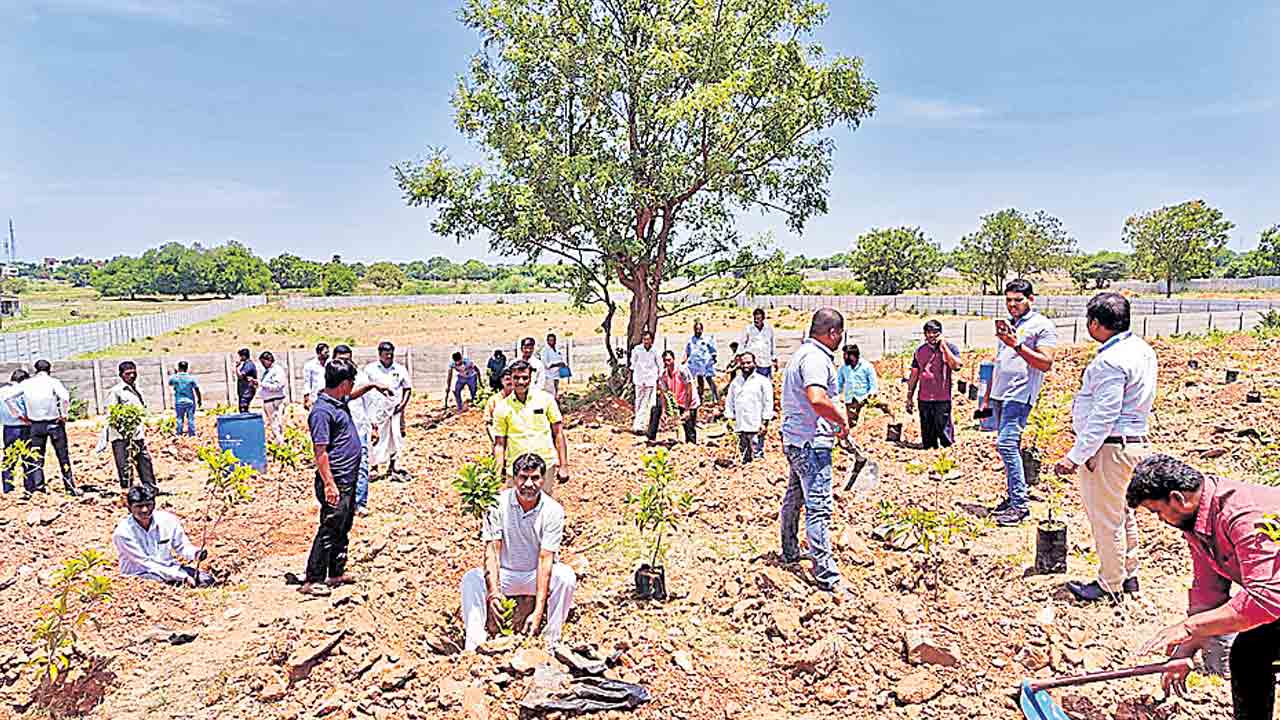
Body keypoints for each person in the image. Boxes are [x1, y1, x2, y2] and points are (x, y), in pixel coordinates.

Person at [1128, 455, 1280, 720]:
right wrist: (1184, 649)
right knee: (1249, 653)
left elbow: (1265, 600)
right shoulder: (1199, 523)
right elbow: (1209, 595)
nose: (1161, 520)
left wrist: (1188, 628)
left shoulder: (1243, 516)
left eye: (1157, 511)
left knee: (1253, 649)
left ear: (1178, 498)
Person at [1051, 293, 1156, 602]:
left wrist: (1076, 456)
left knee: (1106, 518)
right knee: (1122, 513)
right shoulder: (1141, 350)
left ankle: (1110, 584)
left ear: (1096, 324)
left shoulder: (1110, 361)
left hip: (1109, 448)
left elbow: (1104, 415)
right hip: (1133, 442)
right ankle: (1129, 574)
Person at [460, 452, 576, 651]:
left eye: (535, 478)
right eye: (523, 477)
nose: (529, 484)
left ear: (543, 479)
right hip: (506, 574)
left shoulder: (553, 510)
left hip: (534, 575)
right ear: (514, 478)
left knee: (565, 577)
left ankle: (551, 640)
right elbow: (492, 551)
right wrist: (494, 592)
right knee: (471, 579)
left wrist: (538, 611)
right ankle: (474, 644)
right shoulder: (497, 504)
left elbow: (545, 560)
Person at [780, 308, 850, 594]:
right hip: (811, 444)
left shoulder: (801, 354)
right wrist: (841, 419)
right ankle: (826, 575)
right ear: (832, 333)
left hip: (797, 440)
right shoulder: (816, 359)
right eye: (840, 334)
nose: (841, 340)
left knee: (794, 497)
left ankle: (789, 550)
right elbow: (817, 398)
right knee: (818, 508)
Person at [988, 279, 1058, 526]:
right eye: (1008, 300)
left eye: (1018, 300)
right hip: (1001, 393)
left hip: (1020, 394)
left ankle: (1020, 505)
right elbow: (1001, 360)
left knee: (1006, 445)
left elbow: (1045, 363)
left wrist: (1016, 344)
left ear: (1031, 299)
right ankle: (1013, 497)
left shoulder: (1042, 326)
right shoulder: (1010, 325)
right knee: (1010, 447)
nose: (1012, 305)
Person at [302, 359, 362, 597]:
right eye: (352, 383)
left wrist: (375, 386)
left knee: (343, 526)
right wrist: (329, 484)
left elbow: (355, 394)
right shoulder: (322, 411)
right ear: (344, 383)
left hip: (348, 478)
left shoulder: (338, 401)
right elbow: (320, 452)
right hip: (335, 480)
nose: (352, 387)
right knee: (329, 527)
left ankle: (335, 572)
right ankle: (312, 578)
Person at [331, 346, 393, 517]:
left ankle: (359, 503)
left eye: (348, 358)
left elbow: (370, 403)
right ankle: (341, 504)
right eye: (341, 359)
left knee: (362, 466)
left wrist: (374, 426)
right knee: (340, 468)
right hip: (337, 433)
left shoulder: (361, 377)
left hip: (359, 429)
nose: (345, 362)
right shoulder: (329, 378)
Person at [492, 361, 569, 496]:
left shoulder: (546, 400)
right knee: (515, 509)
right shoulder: (502, 408)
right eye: (516, 378)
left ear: (531, 378)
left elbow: (558, 433)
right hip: (516, 469)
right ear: (510, 378)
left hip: (544, 466)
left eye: (524, 377)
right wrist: (496, 476)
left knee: (542, 507)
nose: (520, 382)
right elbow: (499, 444)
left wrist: (563, 466)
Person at [113, 485, 213, 586]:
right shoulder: (123, 533)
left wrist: (195, 554)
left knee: (206, 580)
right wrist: (182, 577)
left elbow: (182, 546)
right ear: (129, 508)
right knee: (158, 583)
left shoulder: (167, 520)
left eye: (148, 505)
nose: (144, 510)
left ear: (154, 504)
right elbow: (145, 563)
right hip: (140, 573)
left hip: (168, 567)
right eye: (139, 506)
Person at [18, 360, 77, 495]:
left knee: (37, 457)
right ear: (49, 369)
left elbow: (8, 398)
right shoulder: (53, 382)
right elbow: (65, 398)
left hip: (35, 425)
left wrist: (21, 415)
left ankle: (39, 488)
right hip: (54, 423)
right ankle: (70, 487)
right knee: (63, 457)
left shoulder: (27, 383)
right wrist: (64, 414)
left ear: (35, 370)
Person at [905, 320, 963, 450]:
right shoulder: (919, 351)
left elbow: (957, 366)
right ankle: (929, 454)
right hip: (924, 397)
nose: (931, 336)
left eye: (935, 333)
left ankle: (947, 455)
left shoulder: (950, 348)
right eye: (928, 333)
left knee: (944, 431)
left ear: (940, 333)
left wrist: (944, 347)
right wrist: (909, 396)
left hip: (942, 397)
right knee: (927, 433)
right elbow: (914, 375)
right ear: (924, 334)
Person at [363, 341, 413, 480]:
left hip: (395, 411)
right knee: (376, 438)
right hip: (377, 411)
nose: (389, 357)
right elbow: (364, 388)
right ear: (379, 354)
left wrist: (402, 405)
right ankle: (374, 467)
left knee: (395, 438)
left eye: (391, 354)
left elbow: (407, 388)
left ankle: (392, 466)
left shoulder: (400, 369)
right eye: (386, 355)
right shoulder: (370, 369)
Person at [107, 360, 157, 490]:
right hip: (121, 437)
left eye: (134, 373)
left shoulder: (137, 390)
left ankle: (150, 488)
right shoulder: (116, 391)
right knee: (124, 465)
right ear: (121, 375)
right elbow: (112, 414)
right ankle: (128, 491)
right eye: (128, 374)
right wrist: (124, 429)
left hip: (137, 434)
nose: (132, 376)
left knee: (144, 461)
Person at [725, 353, 773, 463]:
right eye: (743, 363)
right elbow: (730, 401)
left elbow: (768, 403)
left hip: (756, 426)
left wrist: (765, 423)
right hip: (740, 426)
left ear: (754, 363)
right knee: (743, 457)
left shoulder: (762, 381)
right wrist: (729, 419)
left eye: (748, 362)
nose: (746, 365)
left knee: (757, 457)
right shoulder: (736, 382)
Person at [838, 344, 890, 425]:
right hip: (850, 400)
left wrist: (871, 394)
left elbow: (873, 383)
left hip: (865, 398)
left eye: (846, 355)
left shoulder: (867, 366)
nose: (844, 357)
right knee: (852, 424)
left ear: (853, 355)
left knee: (867, 423)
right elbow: (839, 384)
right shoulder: (843, 368)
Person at [658, 350, 700, 444]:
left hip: (690, 402)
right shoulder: (664, 375)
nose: (667, 363)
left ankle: (692, 447)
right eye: (665, 360)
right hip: (679, 402)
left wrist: (687, 409)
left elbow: (689, 390)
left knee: (690, 428)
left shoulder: (682, 371)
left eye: (669, 360)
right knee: (683, 426)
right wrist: (664, 412)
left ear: (673, 359)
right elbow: (663, 394)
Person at [1, 369, 31, 493]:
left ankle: (8, 488)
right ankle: (30, 487)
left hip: (8, 428)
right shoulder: (22, 391)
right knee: (27, 458)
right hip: (23, 427)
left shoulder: (1, 391)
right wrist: (23, 417)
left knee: (9, 458)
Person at [629, 331, 661, 436]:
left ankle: (642, 425)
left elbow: (659, 365)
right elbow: (633, 365)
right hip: (639, 379)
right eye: (644, 339)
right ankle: (638, 424)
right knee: (639, 402)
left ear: (651, 340)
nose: (646, 341)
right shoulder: (637, 350)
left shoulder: (655, 351)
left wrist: (659, 379)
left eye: (648, 339)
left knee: (648, 403)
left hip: (651, 380)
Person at [684, 320, 719, 404]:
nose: (698, 331)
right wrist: (684, 361)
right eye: (696, 329)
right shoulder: (691, 340)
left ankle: (716, 398)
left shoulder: (707, 339)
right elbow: (687, 352)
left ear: (702, 330)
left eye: (699, 329)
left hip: (706, 363)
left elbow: (713, 350)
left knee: (709, 379)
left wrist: (713, 359)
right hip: (696, 364)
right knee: (699, 381)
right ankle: (700, 398)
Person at [257, 351, 288, 443]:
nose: (262, 364)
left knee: (278, 422)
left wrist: (261, 384)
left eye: (263, 362)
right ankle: (279, 441)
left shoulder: (277, 370)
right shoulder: (268, 372)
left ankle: (281, 442)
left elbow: (278, 386)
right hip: (268, 400)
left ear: (269, 360)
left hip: (276, 400)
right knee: (273, 423)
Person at [168, 361, 201, 437]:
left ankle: (179, 433)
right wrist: (199, 399)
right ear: (187, 368)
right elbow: (197, 389)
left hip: (179, 401)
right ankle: (192, 434)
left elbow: (170, 383)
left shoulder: (175, 378)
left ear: (178, 368)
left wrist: (175, 373)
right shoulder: (191, 378)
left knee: (179, 418)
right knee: (190, 418)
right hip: (190, 402)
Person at [741, 308, 777, 378]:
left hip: (766, 362)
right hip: (753, 363)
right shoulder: (748, 329)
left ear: (763, 319)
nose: (756, 320)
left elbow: (773, 345)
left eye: (758, 318)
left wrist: (774, 358)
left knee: (765, 382)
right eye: (755, 318)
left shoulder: (769, 329)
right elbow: (742, 344)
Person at [483, 366, 515, 442]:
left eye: (512, 379)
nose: (510, 382)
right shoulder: (494, 400)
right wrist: (496, 442)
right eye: (507, 379)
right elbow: (488, 423)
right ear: (501, 381)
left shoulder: (520, 398)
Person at [303, 343, 330, 410]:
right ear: (319, 352)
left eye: (328, 352)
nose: (328, 354)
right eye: (325, 352)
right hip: (315, 398)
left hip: (329, 396)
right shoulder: (310, 365)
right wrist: (307, 398)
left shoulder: (330, 364)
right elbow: (307, 382)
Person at [540, 333, 568, 398]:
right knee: (550, 393)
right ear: (547, 341)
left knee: (556, 391)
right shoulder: (545, 351)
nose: (552, 342)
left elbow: (560, 359)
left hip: (556, 374)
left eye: (553, 340)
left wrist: (562, 364)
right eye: (550, 340)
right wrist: (557, 364)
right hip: (549, 375)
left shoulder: (557, 350)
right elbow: (546, 364)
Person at [235, 348, 258, 413]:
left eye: (240, 356)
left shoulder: (249, 365)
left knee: (243, 408)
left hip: (247, 392)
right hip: (244, 391)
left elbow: (240, 376)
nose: (239, 358)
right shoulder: (246, 364)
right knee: (243, 408)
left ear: (244, 356)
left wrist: (236, 367)